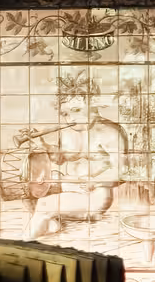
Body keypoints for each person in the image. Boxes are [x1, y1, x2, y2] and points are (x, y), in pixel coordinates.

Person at [21, 90, 127, 241]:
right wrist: (42, 144)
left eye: (76, 110)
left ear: (92, 105)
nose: (70, 118)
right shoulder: (69, 131)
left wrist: (93, 181)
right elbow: (60, 158)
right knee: (30, 191)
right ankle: (50, 226)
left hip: (95, 194)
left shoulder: (111, 132)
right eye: (65, 114)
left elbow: (122, 171)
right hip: (74, 185)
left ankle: (25, 242)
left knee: (44, 204)